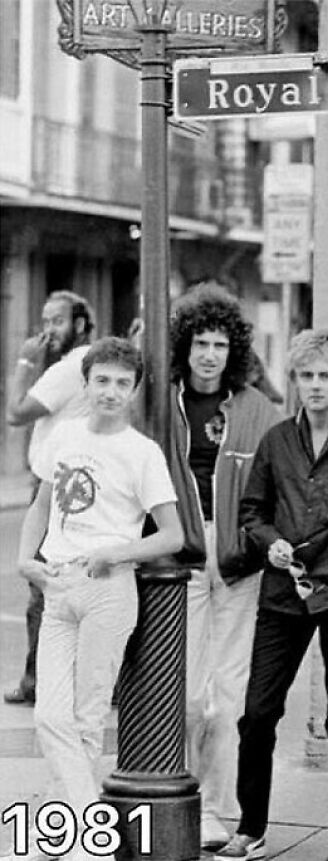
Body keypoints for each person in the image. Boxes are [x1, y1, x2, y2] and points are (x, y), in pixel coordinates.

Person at [214, 329, 328, 861]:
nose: (314, 386)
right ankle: (250, 826)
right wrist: (269, 544)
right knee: (258, 712)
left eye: (324, 377)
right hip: (282, 596)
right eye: (305, 376)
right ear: (293, 382)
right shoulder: (276, 441)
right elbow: (252, 511)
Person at [11, 337, 183, 861]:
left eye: (121, 384)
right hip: (59, 586)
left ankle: (61, 840)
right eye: (101, 381)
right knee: (49, 718)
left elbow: (172, 535)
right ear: (85, 384)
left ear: (133, 392)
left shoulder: (141, 452)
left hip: (109, 590)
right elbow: (42, 503)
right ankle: (90, 837)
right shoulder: (64, 435)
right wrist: (26, 560)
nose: (110, 391)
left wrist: (119, 550)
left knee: (85, 723)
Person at [166, 283, 282, 851]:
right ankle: (181, 795)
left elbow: (281, 475)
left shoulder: (255, 407)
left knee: (228, 694)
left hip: (239, 560)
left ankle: (216, 807)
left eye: (218, 343)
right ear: (183, 347)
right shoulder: (160, 404)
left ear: (232, 349)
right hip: (181, 556)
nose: (208, 353)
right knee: (187, 693)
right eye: (199, 342)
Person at [5, 290, 96, 706]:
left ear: (79, 325)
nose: (46, 332)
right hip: (70, 482)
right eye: (43, 322)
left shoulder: (68, 368)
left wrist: (23, 363)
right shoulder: (82, 364)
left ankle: (36, 681)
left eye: (56, 321)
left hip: (56, 486)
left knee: (42, 584)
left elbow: (16, 412)